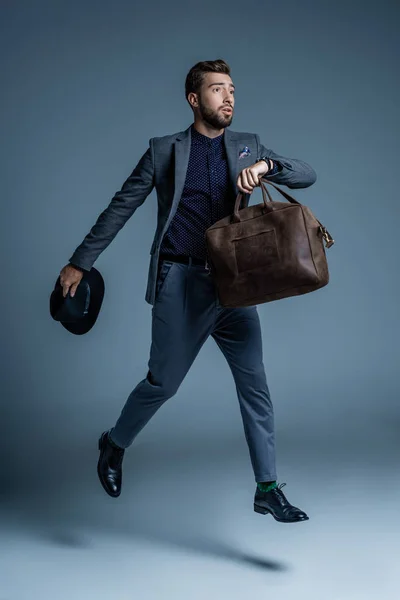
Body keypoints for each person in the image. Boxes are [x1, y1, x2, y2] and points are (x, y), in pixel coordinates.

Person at [59, 59, 317, 523]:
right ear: (194, 99)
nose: (229, 97)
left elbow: (305, 174)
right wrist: (81, 261)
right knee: (163, 383)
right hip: (180, 282)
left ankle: (267, 488)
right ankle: (114, 443)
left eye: (233, 89)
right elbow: (120, 208)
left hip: (233, 287)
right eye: (218, 90)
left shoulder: (246, 147)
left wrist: (266, 165)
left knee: (255, 385)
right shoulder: (164, 151)